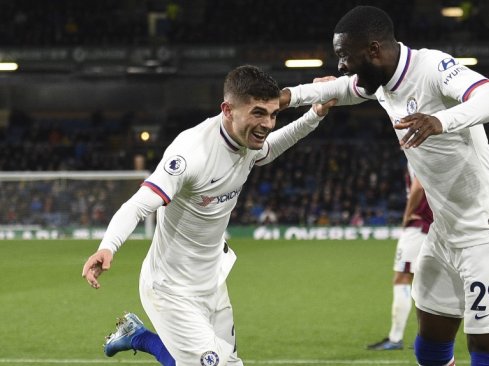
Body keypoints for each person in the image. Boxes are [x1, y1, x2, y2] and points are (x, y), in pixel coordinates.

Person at [280, 6, 489, 366]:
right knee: (428, 348)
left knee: (486, 350)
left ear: (374, 50)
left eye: (344, 56)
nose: (341, 66)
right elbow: (339, 88)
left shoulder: (431, 67)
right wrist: (282, 97)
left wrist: (440, 121)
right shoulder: (381, 82)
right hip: (445, 230)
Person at [82, 65, 336, 366]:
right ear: (227, 110)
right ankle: (140, 337)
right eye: (258, 113)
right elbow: (137, 205)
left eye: (272, 114)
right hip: (171, 288)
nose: (267, 124)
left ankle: (138, 335)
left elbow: (267, 151)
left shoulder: (247, 141)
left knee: (227, 364)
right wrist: (108, 246)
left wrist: (314, 115)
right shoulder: (192, 153)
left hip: (212, 279)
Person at [367, 166, 433, 351]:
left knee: (402, 278)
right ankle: (428, 339)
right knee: (427, 284)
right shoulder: (435, 149)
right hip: (434, 224)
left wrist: (406, 216)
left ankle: (395, 339)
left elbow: (418, 186)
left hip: (419, 225)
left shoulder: (416, 152)